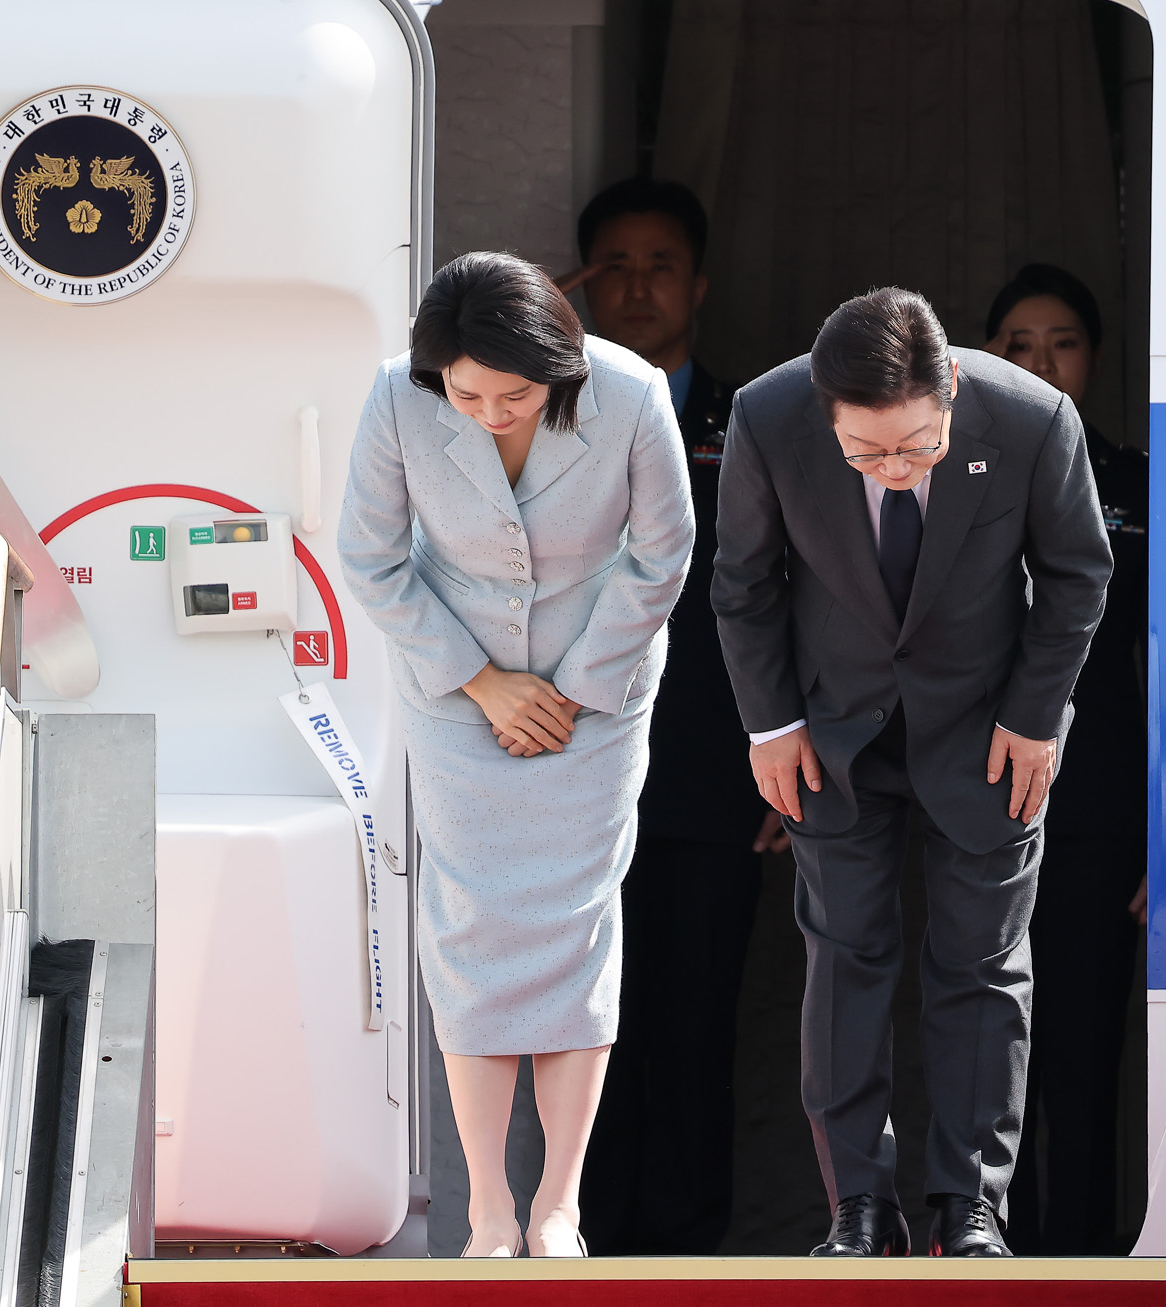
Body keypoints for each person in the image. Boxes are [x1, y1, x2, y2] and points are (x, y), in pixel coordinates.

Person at [711, 287, 1113, 1257]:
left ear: (953, 389)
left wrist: (1034, 716)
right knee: (844, 955)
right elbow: (743, 582)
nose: (894, 470)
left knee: (980, 961)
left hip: (988, 729)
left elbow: (1077, 574)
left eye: (917, 447)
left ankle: (969, 1205)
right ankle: (858, 1204)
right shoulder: (767, 417)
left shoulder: (1032, 419)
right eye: (866, 453)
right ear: (825, 412)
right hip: (833, 729)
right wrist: (771, 723)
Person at [338, 251, 694, 1257]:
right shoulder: (395, 395)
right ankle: (490, 1207)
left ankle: (558, 1205)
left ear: (559, 367)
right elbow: (369, 555)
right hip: (457, 690)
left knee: (577, 920)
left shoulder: (631, 393)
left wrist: (572, 686)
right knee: (473, 924)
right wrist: (479, 680)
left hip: (597, 690)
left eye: (517, 395)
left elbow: (663, 552)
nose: (491, 413)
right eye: (468, 395)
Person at [558, 176, 778, 1254]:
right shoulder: (536, 413)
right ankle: (584, 1250)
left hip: (713, 777)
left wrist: (795, 750)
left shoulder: (758, 422)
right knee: (584, 1029)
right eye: (615, 266)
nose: (638, 286)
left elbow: (802, 596)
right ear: (582, 284)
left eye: (661, 266)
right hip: (568, 778)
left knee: (694, 1034)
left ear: (698, 285)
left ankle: (684, 1257)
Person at [982, 263, 1150, 1255]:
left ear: (1094, 358)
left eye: (1063, 344)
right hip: (978, 808)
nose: (1041, 364)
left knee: (1084, 1053)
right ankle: (993, 1256)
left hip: (1099, 811)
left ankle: (1083, 1258)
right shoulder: (948, 475)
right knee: (987, 1055)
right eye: (1018, 345)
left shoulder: (1136, 482)